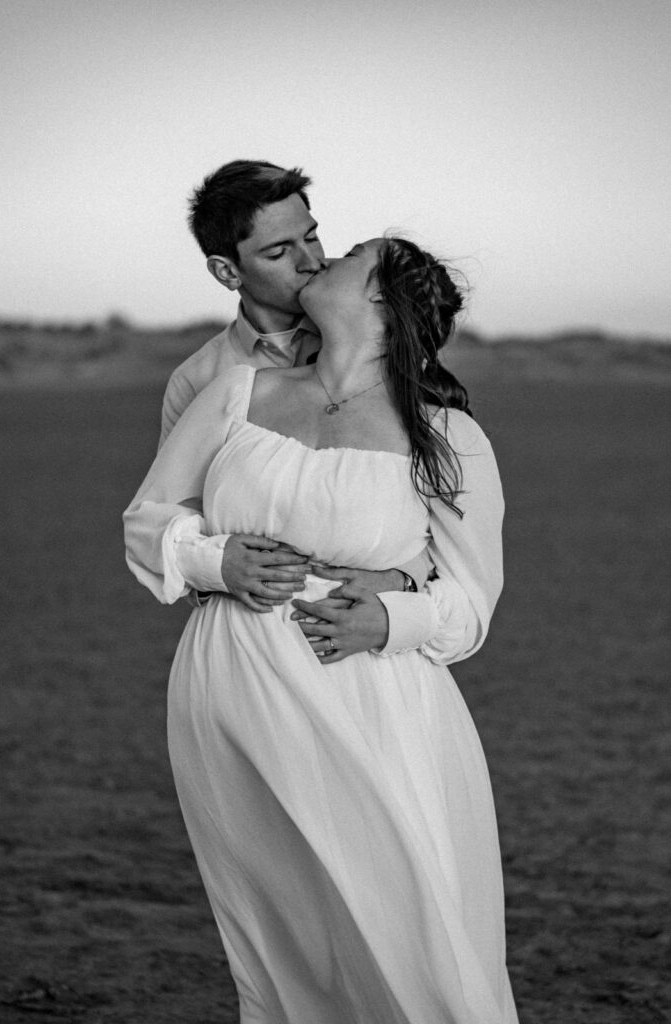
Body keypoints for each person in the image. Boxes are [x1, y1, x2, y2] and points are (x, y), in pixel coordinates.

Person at [123, 235, 518, 1023]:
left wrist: (390, 614)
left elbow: (471, 603)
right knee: (286, 939)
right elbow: (146, 518)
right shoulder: (236, 391)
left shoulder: (447, 436)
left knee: (412, 929)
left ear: (379, 301)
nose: (321, 260)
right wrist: (213, 561)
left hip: (373, 702)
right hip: (234, 688)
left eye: (347, 257)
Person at [163, 159, 429, 615]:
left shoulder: (380, 346)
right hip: (250, 636)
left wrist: (403, 580)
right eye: (279, 251)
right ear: (228, 272)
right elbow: (172, 516)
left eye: (311, 236)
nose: (312, 261)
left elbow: (437, 511)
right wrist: (213, 566)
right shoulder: (200, 381)